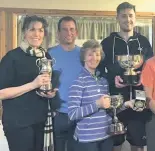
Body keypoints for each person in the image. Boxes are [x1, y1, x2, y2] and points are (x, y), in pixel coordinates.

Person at [98, 2, 153, 151]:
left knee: (139, 142)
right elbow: (99, 70)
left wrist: (143, 77)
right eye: (123, 16)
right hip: (115, 97)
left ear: (135, 18)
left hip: (139, 95)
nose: (127, 19)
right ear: (117, 18)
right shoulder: (107, 43)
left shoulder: (144, 41)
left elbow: (151, 67)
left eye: (130, 16)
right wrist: (112, 79)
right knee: (116, 142)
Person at [0, 15, 57, 151]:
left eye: (41, 30)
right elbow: (1, 93)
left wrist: (49, 93)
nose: (37, 34)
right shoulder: (12, 57)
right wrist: (33, 84)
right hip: (18, 123)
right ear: (24, 32)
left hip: (40, 120)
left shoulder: (45, 56)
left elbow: (43, 86)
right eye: (32, 29)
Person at [68, 39, 135, 151]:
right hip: (86, 141)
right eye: (90, 54)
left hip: (106, 137)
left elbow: (109, 110)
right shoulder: (78, 81)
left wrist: (125, 105)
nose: (94, 58)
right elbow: (72, 114)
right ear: (83, 57)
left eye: (97, 54)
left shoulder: (103, 81)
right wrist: (97, 104)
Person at [48, 16, 83, 151]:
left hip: (80, 114)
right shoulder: (49, 55)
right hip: (59, 115)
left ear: (76, 32)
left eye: (72, 29)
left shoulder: (84, 55)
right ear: (58, 33)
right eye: (65, 29)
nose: (69, 33)